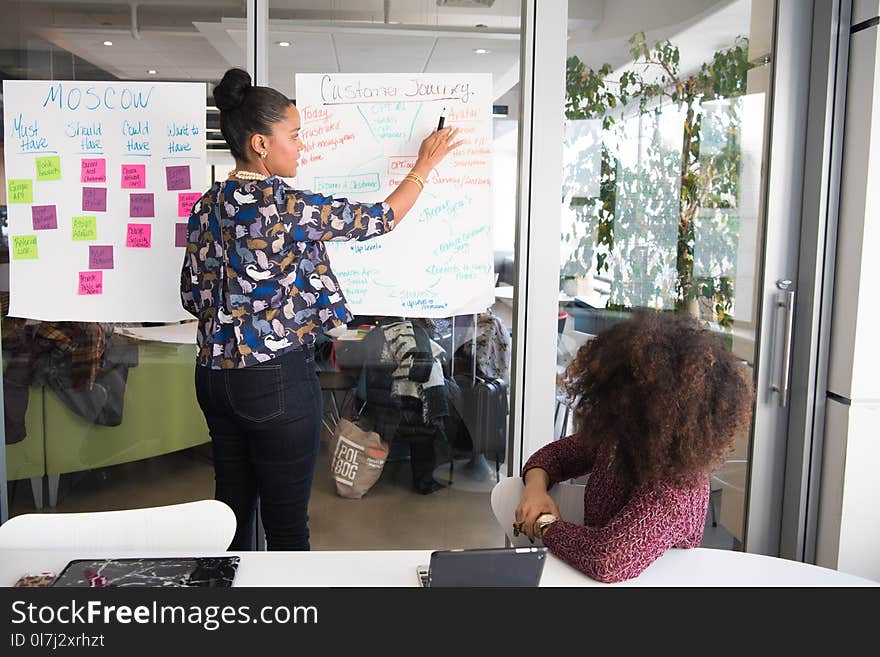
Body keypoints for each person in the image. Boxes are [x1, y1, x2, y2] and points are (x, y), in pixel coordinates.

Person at [180, 68, 462, 550]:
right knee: (288, 526)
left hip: (212, 377)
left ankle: (231, 613)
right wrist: (424, 165)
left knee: (232, 515)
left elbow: (190, 295)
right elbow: (381, 219)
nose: (301, 146)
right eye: (294, 136)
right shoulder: (285, 206)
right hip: (274, 382)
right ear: (260, 143)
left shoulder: (206, 206)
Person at [514, 311, 755, 582]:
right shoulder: (622, 439)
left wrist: (545, 525)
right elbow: (553, 455)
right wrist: (535, 492)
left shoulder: (678, 488)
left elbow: (606, 559)